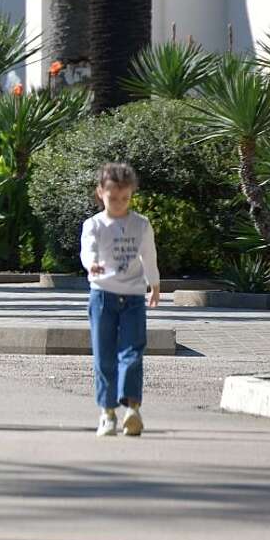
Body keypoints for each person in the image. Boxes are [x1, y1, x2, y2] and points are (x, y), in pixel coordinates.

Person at [83, 162, 160, 437]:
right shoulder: (94, 224)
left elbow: (148, 255)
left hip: (133, 298)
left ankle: (132, 410)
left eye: (125, 198)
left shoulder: (140, 224)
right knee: (103, 356)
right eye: (113, 198)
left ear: (132, 195)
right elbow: (88, 249)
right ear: (100, 193)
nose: (118, 204)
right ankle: (107, 412)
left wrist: (154, 285)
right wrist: (92, 264)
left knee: (132, 353)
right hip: (102, 295)